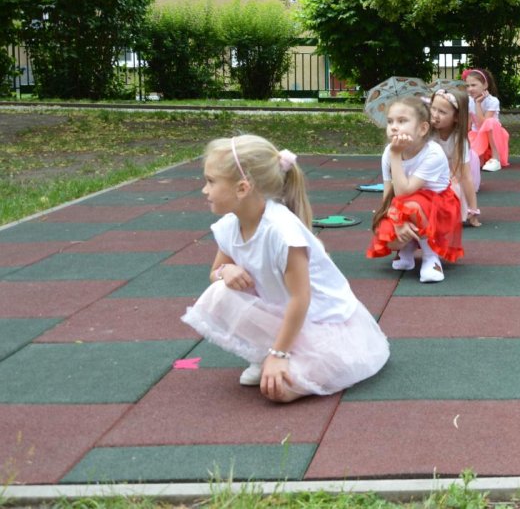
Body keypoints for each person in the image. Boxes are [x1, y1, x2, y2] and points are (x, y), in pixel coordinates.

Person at [182, 134, 389, 402]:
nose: (204, 190)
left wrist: (279, 355)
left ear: (242, 188)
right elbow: (215, 273)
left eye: (211, 181)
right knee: (220, 292)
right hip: (285, 314)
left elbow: (301, 299)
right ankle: (269, 353)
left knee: (281, 390)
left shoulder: (282, 232)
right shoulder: (230, 226)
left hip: (322, 322)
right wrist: (225, 272)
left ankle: (281, 353)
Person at [367, 96, 463, 283]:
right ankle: (407, 247)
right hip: (404, 206)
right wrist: (396, 221)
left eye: (402, 121)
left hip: (440, 208)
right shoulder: (389, 152)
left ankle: (431, 257)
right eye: (390, 121)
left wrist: (396, 155)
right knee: (388, 236)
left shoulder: (433, 153)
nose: (394, 127)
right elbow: (389, 195)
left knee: (413, 204)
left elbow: (405, 192)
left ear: (423, 129)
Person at [430, 86, 482, 228]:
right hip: (430, 174)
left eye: (442, 112)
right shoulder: (427, 134)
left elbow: (465, 176)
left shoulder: (459, 140)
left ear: (456, 117)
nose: (435, 115)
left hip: (452, 175)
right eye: (433, 108)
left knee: (453, 186)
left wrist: (473, 209)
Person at [464, 68, 509, 172]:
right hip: (477, 135)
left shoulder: (493, 101)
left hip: (493, 136)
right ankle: (480, 158)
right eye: (467, 86)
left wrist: (478, 104)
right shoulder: (469, 100)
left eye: (473, 85)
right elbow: (468, 124)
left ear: (485, 85)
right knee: (475, 162)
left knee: (490, 122)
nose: (470, 89)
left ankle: (495, 159)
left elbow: (483, 124)